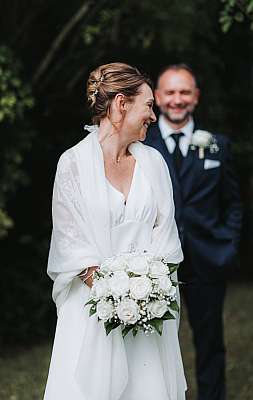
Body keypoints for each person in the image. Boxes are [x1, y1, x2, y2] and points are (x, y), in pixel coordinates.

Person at [44, 63, 187, 400]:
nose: (153, 116)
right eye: (148, 105)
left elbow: (165, 236)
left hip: (149, 314)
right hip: (92, 311)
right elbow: (71, 244)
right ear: (122, 104)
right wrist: (118, 296)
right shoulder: (72, 163)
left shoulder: (153, 163)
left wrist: (145, 295)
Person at [145, 64, 242, 400]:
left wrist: (228, 245)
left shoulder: (217, 145)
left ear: (196, 97)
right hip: (156, 263)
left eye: (184, 92)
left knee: (210, 342)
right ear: (157, 97)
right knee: (152, 344)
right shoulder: (143, 144)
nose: (177, 99)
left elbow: (233, 203)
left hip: (207, 258)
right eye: (170, 92)